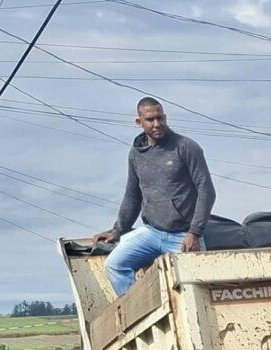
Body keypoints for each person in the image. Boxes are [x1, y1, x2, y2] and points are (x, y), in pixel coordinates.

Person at [90, 97, 213, 297]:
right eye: (150, 120)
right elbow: (132, 195)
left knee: (196, 291)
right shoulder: (136, 154)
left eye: (160, 118)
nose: (157, 124)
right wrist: (118, 230)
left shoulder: (186, 147)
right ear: (139, 122)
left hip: (183, 236)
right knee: (115, 264)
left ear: (165, 118)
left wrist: (195, 233)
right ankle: (143, 315)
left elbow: (206, 190)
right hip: (152, 233)